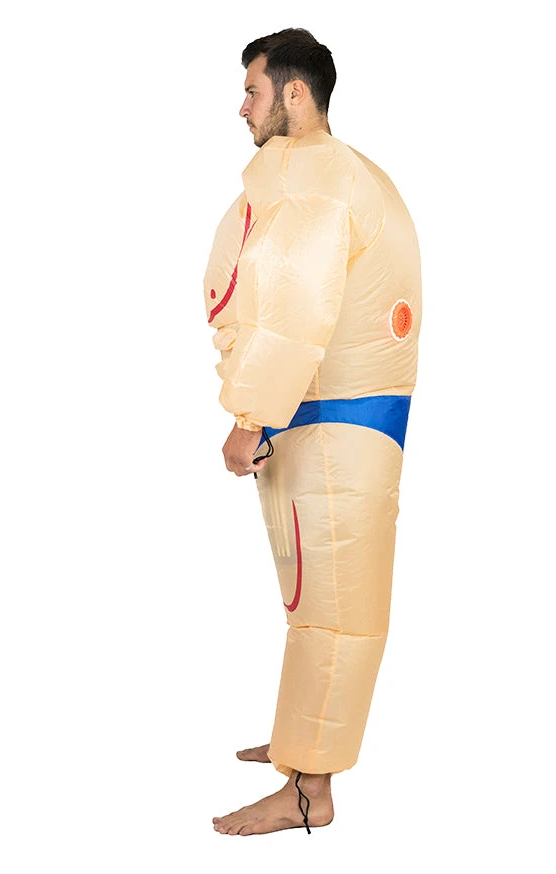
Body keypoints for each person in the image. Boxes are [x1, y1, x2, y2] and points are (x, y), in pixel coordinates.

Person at [203, 28, 421, 836]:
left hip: (331, 421)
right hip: (326, 419)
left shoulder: (321, 180)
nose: (242, 107)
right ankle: (301, 744)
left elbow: (295, 305)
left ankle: (309, 793)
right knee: (317, 603)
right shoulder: (337, 173)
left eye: (253, 91)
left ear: (295, 94)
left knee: (333, 610)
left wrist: (250, 416)